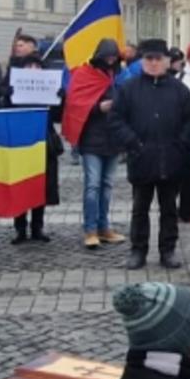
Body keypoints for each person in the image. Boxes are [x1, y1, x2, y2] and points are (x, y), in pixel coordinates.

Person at [109, 38, 190, 270]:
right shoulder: (129, 88)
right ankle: (138, 250)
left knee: (169, 209)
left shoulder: (179, 89)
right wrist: (133, 143)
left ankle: (167, 251)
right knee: (140, 209)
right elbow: (116, 119)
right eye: (149, 59)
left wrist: (180, 143)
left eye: (158, 59)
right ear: (142, 61)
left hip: (171, 159)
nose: (154, 63)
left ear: (167, 61)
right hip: (141, 158)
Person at [1, 35, 64, 245]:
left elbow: (58, 116)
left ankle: (37, 226)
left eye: (37, 67)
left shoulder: (48, 86)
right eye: (29, 66)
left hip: (43, 140)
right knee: (20, 185)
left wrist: (60, 98)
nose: (33, 70)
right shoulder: (10, 83)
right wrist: (7, 96)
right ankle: (20, 228)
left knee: (40, 186)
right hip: (19, 140)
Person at [73, 39, 129, 250]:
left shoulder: (120, 77)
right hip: (91, 139)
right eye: (107, 57)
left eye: (113, 57)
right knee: (93, 185)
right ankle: (90, 229)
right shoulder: (84, 74)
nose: (110, 61)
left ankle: (104, 227)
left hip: (113, 139)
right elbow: (76, 105)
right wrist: (98, 108)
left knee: (106, 186)